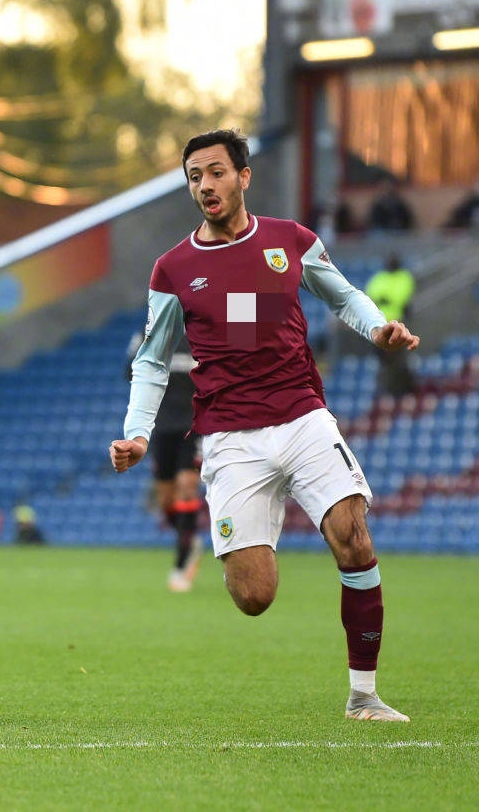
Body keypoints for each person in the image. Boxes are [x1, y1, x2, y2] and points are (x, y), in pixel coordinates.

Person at [110, 129, 420, 722]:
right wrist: (138, 433)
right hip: (230, 436)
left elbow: (345, 297)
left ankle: (364, 696)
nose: (205, 185)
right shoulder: (174, 269)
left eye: (216, 172)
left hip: (302, 414)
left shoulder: (289, 241)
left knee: (353, 536)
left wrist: (378, 327)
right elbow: (151, 360)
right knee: (254, 596)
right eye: (194, 176)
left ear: (244, 177)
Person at [125, 326, 203, 591]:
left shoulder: (204, 331)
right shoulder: (150, 333)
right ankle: (189, 539)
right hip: (163, 425)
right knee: (165, 499)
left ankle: (181, 566)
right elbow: (131, 372)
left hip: (195, 425)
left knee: (186, 486)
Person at [366, 255, 417, 396]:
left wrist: (385, 299)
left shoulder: (404, 277)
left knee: (398, 359)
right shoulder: (379, 277)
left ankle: (400, 390)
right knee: (383, 359)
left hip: (397, 324)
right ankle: (386, 390)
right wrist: (384, 299)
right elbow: (371, 294)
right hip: (378, 325)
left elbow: (400, 297)